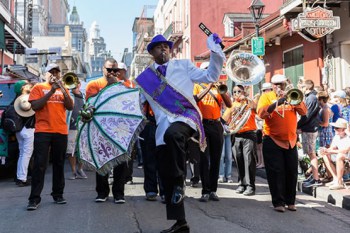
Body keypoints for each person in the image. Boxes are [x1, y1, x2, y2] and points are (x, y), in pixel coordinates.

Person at [135, 34, 225, 233]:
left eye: (166, 46)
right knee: (167, 179)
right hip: (162, 129)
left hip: (186, 118)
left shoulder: (183, 65)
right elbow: (137, 105)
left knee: (173, 136)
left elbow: (210, 76)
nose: (164, 49)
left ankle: (181, 175)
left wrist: (216, 52)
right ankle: (180, 222)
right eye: (158, 47)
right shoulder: (145, 79)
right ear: (151, 53)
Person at [257, 74, 307, 212]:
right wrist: (279, 101)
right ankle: (278, 202)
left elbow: (303, 112)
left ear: (286, 84)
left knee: (291, 171)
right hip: (272, 138)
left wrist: (294, 100)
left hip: (290, 140)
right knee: (276, 172)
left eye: (282, 84)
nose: (279, 87)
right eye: (276, 84)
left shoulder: (292, 95)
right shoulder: (266, 96)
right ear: (272, 85)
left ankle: (291, 201)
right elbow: (261, 113)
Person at [85, 59, 133, 204]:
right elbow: (91, 104)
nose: (112, 73)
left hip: (119, 128)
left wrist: (116, 86)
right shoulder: (93, 84)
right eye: (109, 69)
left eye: (115, 70)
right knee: (102, 159)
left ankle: (119, 193)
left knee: (120, 161)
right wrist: (109, 86)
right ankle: (102, 192)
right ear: (103, 69)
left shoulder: (123, 85)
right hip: (100, 128)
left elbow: (127, 103)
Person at [27, 63, 74, 211]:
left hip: (60, 131)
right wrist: (51, 92)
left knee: (59, 164)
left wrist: (63, 91)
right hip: (43, 131)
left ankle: (58, 194)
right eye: (51, 72)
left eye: (57, 72)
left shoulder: (63, 88)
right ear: (45, 74)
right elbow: (35, 106)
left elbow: (70, 106)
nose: (54, 75)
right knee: (40, 164)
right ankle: (34, 199)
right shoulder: (38, 88)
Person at [193, 62, 232, 202]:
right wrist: (208, 87)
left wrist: (223, 91)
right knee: (204, 159)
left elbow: (229, 105)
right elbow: (194, 100)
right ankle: (205, 190)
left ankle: (213, 190)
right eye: (205, 71)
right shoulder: (197, 86)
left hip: (216, 125)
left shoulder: (217, 87)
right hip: (202, 125)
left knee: (216, 159)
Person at [223, 85, 257, 196]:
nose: (237, 93)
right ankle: (242, 183)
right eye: (234, 92)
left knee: (249, 160)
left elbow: (258, 110)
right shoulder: (232, 105)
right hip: (236, 135)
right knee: (239, 160)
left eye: (239, 91)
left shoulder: (249, 102)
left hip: (249, 134)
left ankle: (250, 186)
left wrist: (247, 99)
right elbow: (224, 119)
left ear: (244, 91)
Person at [297, 80, 322, 188]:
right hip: (308, 128)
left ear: (305, 87)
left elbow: (307, 115)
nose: (300, 89)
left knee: (312, 154)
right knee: (310, 154)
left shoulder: (311, 98)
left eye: (301, 87)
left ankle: (316, 179)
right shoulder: (310, 97)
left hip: (310, 129)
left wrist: (297, 126)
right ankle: (314, 176)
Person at [14, 82, 35, 187]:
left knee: (22, 154)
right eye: (27, 85)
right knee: (26, 155)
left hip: (19, 130)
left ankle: (19, 177)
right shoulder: (27, 100)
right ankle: (22, 178)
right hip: (28, 130)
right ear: (23, 88)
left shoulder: (15, 101)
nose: (30, 86)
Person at [320, 118, 350, 190]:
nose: (334, 129)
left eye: (337, 128)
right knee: (325, 154)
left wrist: (330, 151)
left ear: (343, 129)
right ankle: (335, 179)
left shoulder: (348, 137)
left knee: (339, 156)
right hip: (344, 155)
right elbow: (332, 147)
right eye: (334, 127)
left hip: (347, 155)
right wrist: (326, 150)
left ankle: (339, 183)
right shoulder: (336, 136)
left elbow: (345, 150)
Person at [66, 81, 88, 180]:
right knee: (71, 151)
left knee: (83, 150)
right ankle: (74, 171)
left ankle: (80, 169)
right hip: (71, 127)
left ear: (79, 85)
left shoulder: (85, 96)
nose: (74, 86)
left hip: (83, 127)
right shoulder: (68, 95)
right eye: (72, 84)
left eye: (76, 83)